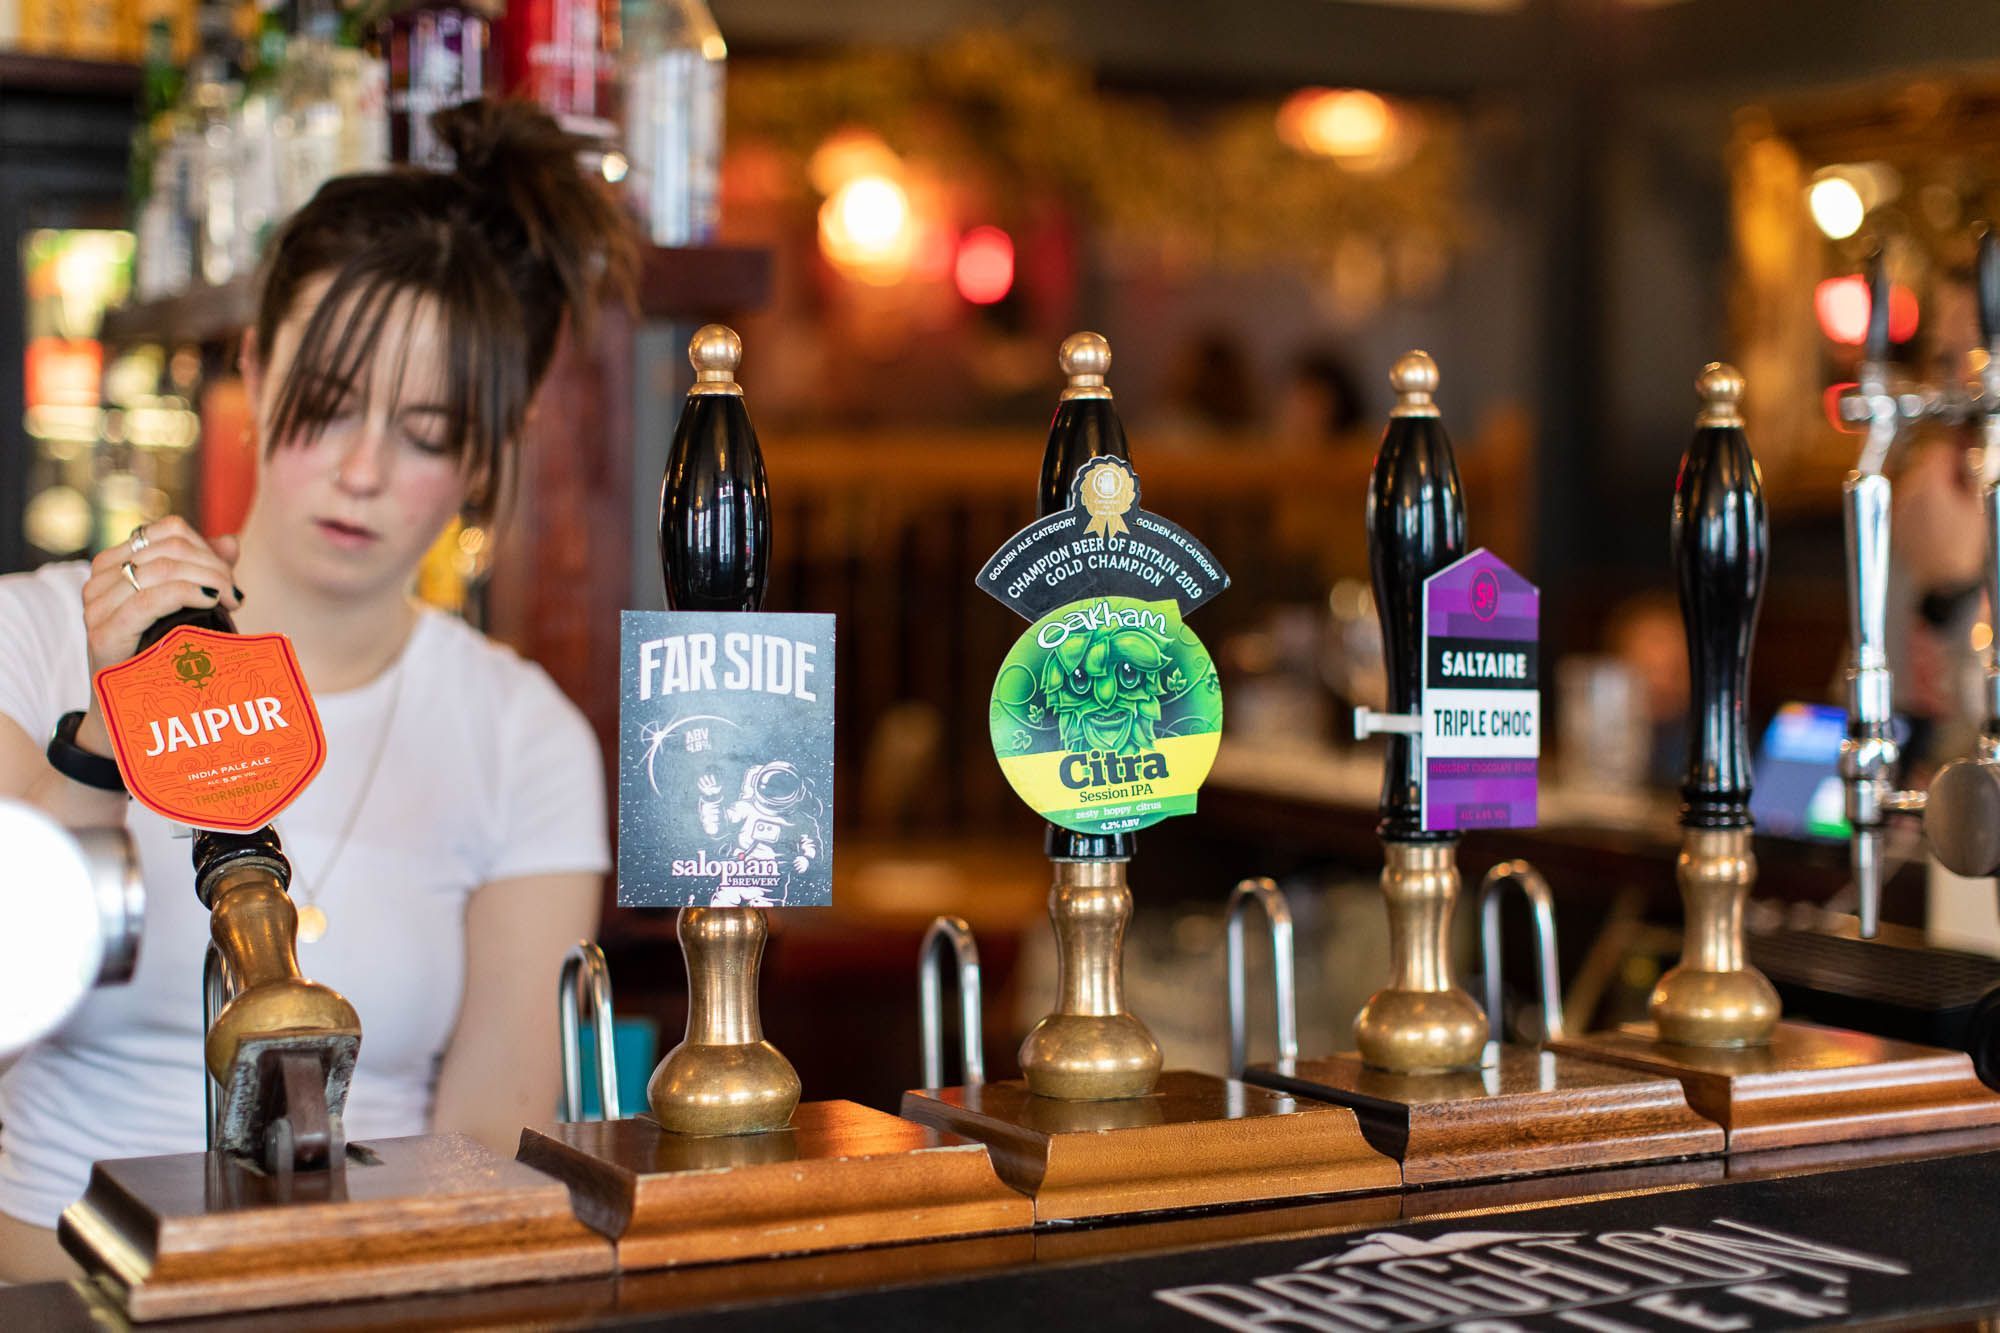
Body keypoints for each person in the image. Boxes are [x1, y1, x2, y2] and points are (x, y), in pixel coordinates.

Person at [0, 99, 638, 1281]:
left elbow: (489, 1142)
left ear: (490, 452)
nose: (360, 470)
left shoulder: (520, 734)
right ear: (252, 361)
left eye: (425, 430)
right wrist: (96, 742)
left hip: (361, 1292)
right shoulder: (32, 636)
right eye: (329, 404)